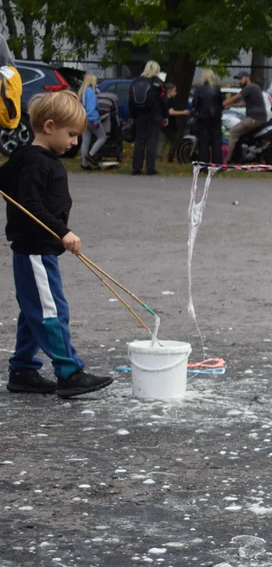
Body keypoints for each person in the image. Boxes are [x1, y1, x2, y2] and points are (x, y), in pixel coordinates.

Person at [1, 91, 114, 399]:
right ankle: (69, 372)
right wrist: (63, 231)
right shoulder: (35, 162)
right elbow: (31, 205)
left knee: (32, 310)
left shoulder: (27, 157)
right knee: (52, 312)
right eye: (72, 135)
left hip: (36, 250)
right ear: (49, 127)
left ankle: (23, 370)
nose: (75, 142)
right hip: (35, 249)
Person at [129, 60, 167, 175]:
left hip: (139, 115)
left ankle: (136, 167)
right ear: (157, 70)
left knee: (139, 141)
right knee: (152, 141)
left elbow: (130, 99)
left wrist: (132, 115)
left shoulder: (136, 82)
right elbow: (163, 100)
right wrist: (165, 116)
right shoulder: (157, 83)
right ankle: (150, 168)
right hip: (154, 115)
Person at [224, 71, 268, 164]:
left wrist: (222, 103)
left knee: (233, 131)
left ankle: (226, 160)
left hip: (254, 118)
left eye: (241, 79)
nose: (239, 81)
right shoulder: (254, 87)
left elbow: (235, 97)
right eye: (238, 79)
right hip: (259, 118)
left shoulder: (249, 87)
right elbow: (244, 103)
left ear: (247, 77)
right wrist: (232, 106)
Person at [191, 70, 224, 165]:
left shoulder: (199, 89)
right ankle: (217, 164)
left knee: (203, 142)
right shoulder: (217, 89)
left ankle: (203, 164)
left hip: (203, 118)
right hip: (216, 118)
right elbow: (221, 104)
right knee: (216, 142)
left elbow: (195, 104)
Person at [77, 74, 106, 169]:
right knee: (102, 137)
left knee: (86, 140)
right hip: (91, 118)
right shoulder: (90, 92)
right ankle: (91, 154)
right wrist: (95, 120)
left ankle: (84, 163)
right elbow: (91, 107)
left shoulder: (82, 92)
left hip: (83, 118)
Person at [162, 82, 190, 164]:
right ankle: (170, 157)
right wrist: (183, 112)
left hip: (164, 124)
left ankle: (159, 157)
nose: (176, 93)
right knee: (176, 140)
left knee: (164, 140)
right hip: (171, 124)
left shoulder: (163, 99)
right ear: (170, 91)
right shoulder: (171, 101)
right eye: (174, 91)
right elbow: (171, 112)